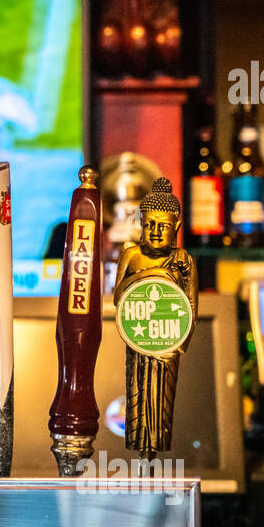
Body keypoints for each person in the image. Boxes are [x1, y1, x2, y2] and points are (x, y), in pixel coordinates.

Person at [112, 177, 198, 458]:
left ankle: (154, 454)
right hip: (138, 337)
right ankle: (140, 454)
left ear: (176, 228)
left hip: (169, 341)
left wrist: (181, 342)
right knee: (137, 397)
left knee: (161, 405)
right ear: (141, 225)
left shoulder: (183, 258)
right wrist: (153, 274)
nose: (156, 232)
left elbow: (191, 302)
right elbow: (118, 296)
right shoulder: (132, 254)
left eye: (163, 226)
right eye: (150, 225)